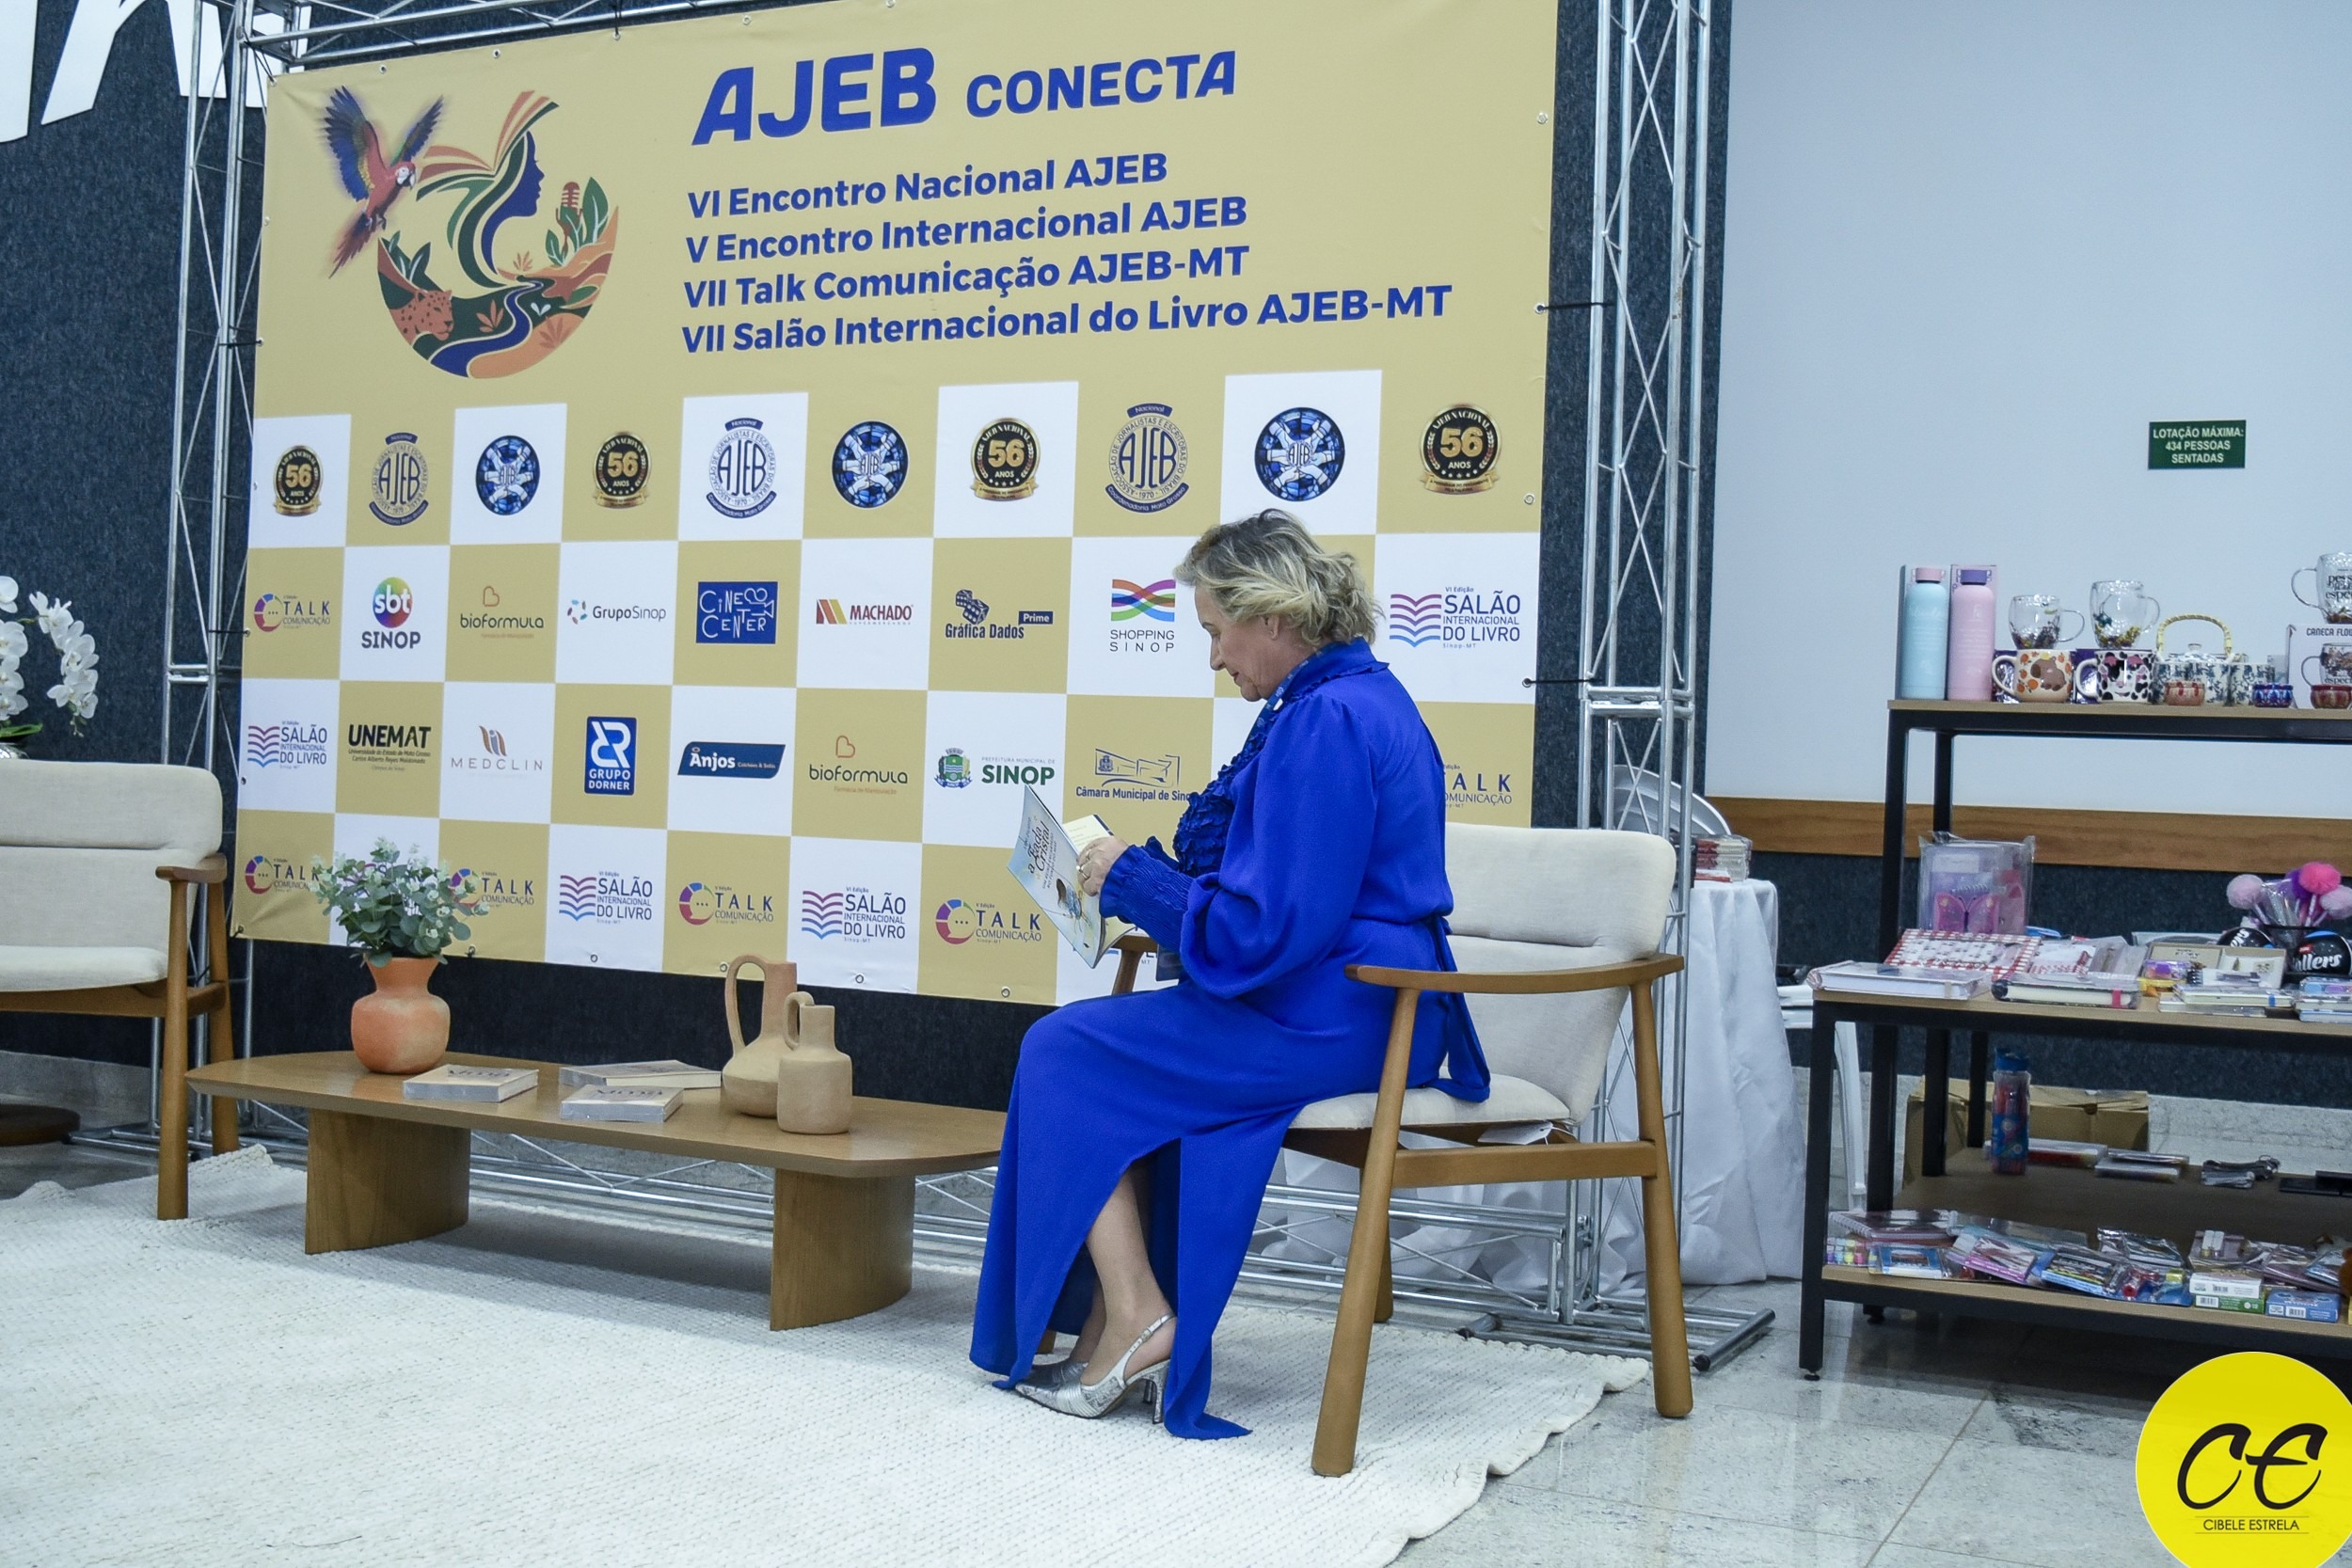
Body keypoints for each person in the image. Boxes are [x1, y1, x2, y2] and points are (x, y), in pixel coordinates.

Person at [967, 510, 1489, 1438]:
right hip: (1354, 997)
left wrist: (1134, 878)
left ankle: (1138, 1314)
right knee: (1093, 1051)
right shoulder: (1345, 696)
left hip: (1339, 1009)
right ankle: (1110, 1318)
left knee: (1062, 1052)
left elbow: (1262, 931)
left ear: (1273, 616)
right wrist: (1152, 886)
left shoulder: (1325, 718)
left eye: (1217, 630)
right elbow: (1275, 901)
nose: (1213, 657)